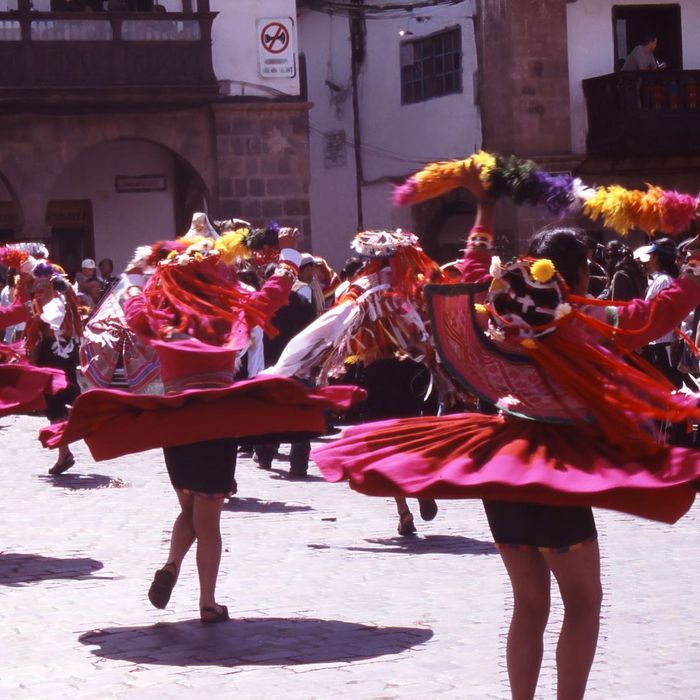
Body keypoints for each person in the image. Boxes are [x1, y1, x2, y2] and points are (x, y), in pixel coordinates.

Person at [311, 164, 700, 699]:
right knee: (583, 604)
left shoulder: (497, 318)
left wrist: (486, 209)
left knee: (530, 605)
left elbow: (463, 275)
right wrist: (696, 267)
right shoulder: (585, 326)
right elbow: (655, 315)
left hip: (503, 468)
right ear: (581, 277)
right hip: (553, 475)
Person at [41, 228, 364, 623]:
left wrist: (140, 273)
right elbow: (274, 294)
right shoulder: (227, 314)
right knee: (208, 518)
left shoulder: (158, 318)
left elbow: (133, 303)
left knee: (190, 508)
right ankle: (207, 602)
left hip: (174, 421)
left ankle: (172, 564)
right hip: (215, 418)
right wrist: (288, 253)